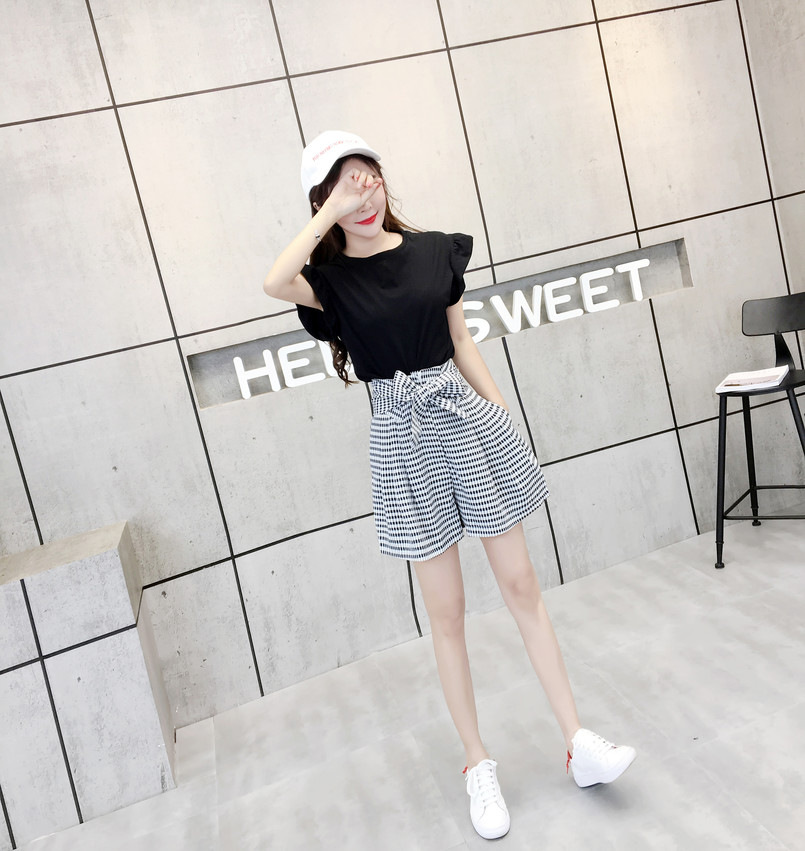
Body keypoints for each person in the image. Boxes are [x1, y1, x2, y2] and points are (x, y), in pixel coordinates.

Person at [264, 130, 636, 841]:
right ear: (323, 201)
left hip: (463, 420)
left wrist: (499, 413)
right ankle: (476, 762)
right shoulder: (328, 283)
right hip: (401, 441)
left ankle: (577, 740)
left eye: (369, 178)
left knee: (521, 584)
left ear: (385, 180)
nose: (363, 195)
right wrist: (330, 212)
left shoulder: (435, 250)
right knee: (448, 613)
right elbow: (274, 280)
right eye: (344, 186)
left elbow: (461, 340)